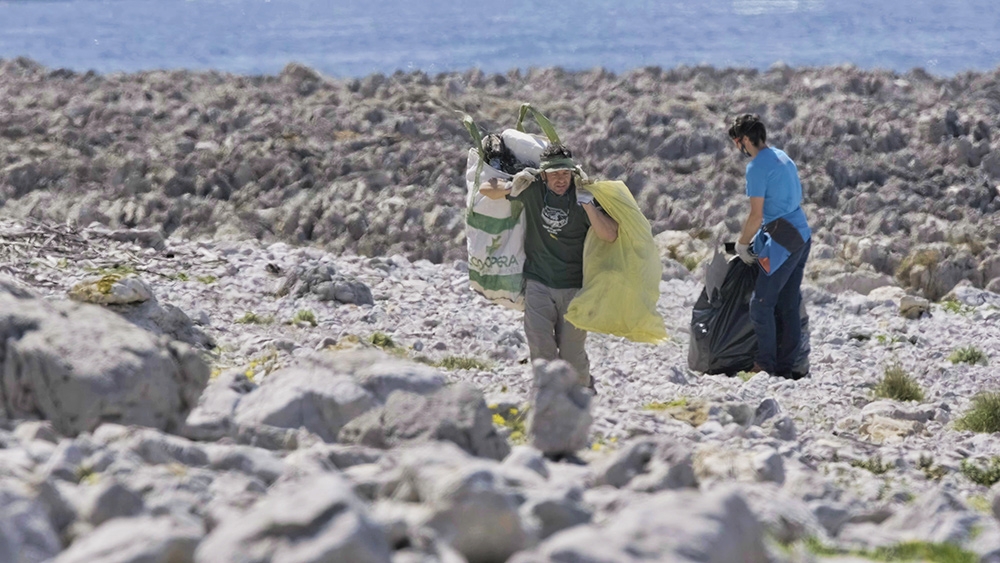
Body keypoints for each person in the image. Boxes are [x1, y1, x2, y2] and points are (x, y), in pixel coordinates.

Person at [479, 143, 619, 390]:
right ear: (543, 174)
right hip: (538, 283)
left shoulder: (583, 197)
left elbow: (610, 235)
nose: (560, 179)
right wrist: (513, 185)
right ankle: (548, 399)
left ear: (572, 173)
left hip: (575, 289)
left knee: (572, 356)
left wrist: (588, 205)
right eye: (554, 173)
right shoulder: (532, 191)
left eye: (565, 173)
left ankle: (584, 395)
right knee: (542, 351)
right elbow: (486, 189)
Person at [728, 114, 812, 378]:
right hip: (802, 233)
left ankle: (765, 365)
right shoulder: (781, 155)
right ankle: (789, 367)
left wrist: (742, 245)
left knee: (761, 303)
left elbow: (755, 215)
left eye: (735, 142)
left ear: (743, 141)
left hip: (782, 238)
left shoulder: (756, 168)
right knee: (787, 302)